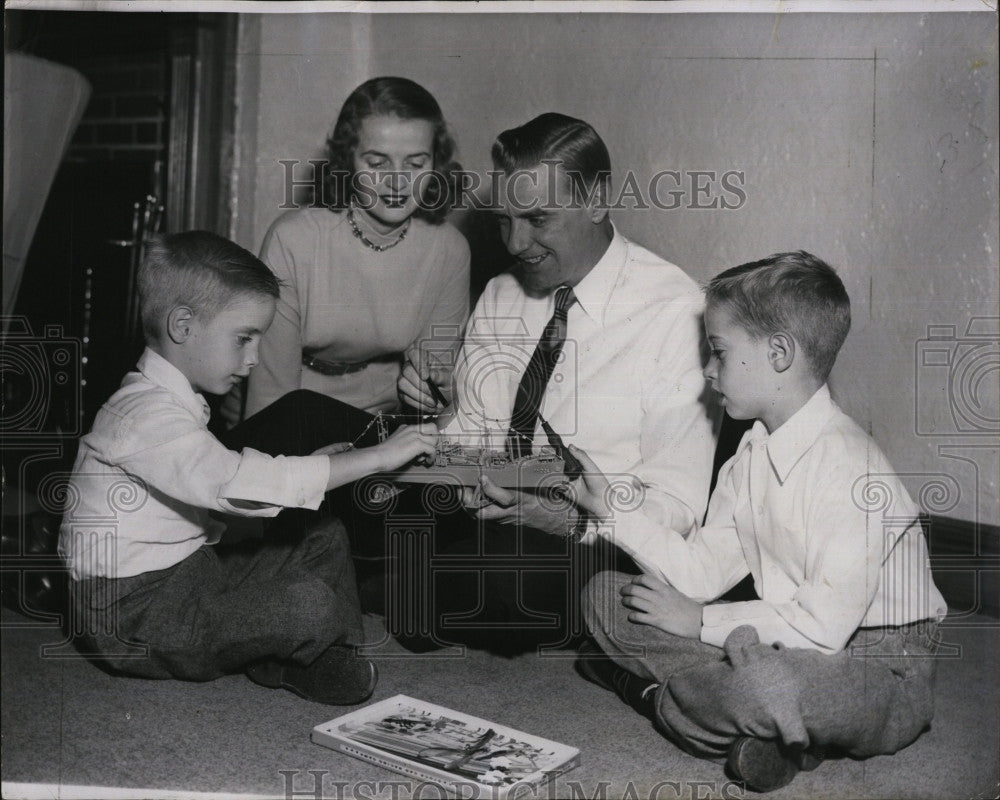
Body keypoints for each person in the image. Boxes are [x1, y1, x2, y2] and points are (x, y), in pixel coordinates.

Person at [571, 252, 948, 792]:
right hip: (780, 637)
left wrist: (701, 625)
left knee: (767, 683)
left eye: (718, 351)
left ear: (778, 353)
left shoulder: (851, 469)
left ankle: (655, 696)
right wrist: (614, 511)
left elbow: (823, 630)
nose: (706, 369)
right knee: (605, 596)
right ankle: (768, 731)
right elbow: (701, 574)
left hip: (878, 662)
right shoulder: (748, 456)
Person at [57, 231, 438, 705]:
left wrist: (317, 466)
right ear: (183, 326)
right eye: (244, 339)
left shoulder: (169, 401)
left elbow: (220, 479)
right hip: (130, 615)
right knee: (309, 603)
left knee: (325, 534)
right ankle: (288, 650)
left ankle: (315, 654)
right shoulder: (145, 416)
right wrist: (378, 457)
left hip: (186, 576)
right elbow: (236, 483)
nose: (254, 358)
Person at [425, 113, 716, 653]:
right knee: (314, 427)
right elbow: (472, 432)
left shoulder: (678, 311)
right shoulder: (502, 293)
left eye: (537, 219)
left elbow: (677, 504)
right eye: (504, 220)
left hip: (600, 539)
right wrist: (440, 448)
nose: (515, 243)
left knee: (492, 579)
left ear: (597, 201)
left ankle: (384, 586)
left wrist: (569, 519)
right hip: (497, 517)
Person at [241, 76, 471, 419]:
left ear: (436, 165)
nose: (397, 181)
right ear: (347, 161)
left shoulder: (449, 250)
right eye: (377, 164)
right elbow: (271, 404)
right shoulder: (292, 241)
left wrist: (437, 394)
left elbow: (435, 397)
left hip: (385, 422)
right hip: (293, 412)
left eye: (416, 163)